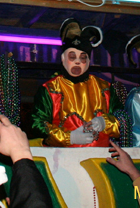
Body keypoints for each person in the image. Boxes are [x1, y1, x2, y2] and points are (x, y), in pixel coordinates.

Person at [31, 18, 119, 147]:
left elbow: (123, 121)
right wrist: (69, 137)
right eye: (72, 57)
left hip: (101, 159)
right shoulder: (50, 89)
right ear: (63, 59)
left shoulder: (105, 88)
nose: (77, 62)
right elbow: (37, 125)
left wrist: (105, 122)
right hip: (61, 159)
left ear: (89, 61)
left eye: (83, 58)